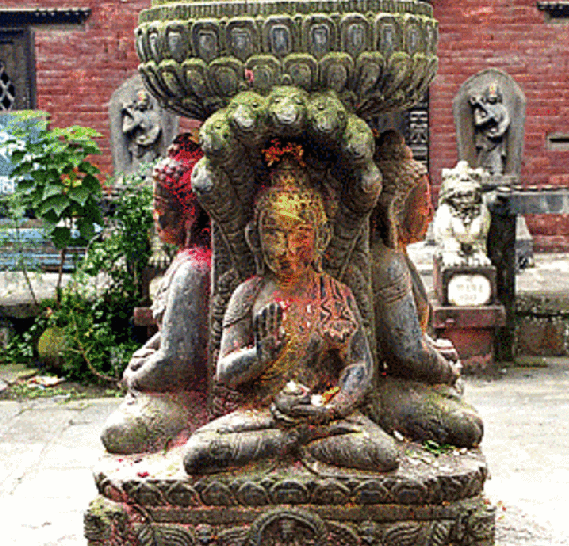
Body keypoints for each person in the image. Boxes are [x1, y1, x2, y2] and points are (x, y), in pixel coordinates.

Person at [182, 148, 397, 475]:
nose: (287, 248)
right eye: (274, 234)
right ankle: (294, 442)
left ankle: (289, 442)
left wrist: (331, 408)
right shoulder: (248, 294)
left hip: (320, 414)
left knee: (380, 452)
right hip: (260, 415)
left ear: (322, 238)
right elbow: (225, 371)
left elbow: (359, 364)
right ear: (255, 238)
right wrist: (259, 355)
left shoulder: (335, 294)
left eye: (301, 233)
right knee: (200, 452)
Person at [370, 130, 484, 448]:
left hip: (403, 376)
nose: (430, 213)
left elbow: (414, 341)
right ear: (395, 209)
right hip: (384, 383)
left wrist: (432, 349)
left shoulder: (399, 256)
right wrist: (445, 371)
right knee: (467, 427)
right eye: (423, 204)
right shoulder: (386, 265)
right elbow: (405, 354)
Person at [101, 134, 211, 455]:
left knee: (117, 433)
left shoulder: (194, 270)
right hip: (165, 382)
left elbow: (179, 361)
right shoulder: (185, 261)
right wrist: (144, 355)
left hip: (188, 395)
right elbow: (170, 335)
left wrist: (135, 377)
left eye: (161, 207)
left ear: (189, 213)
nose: (154, 215)